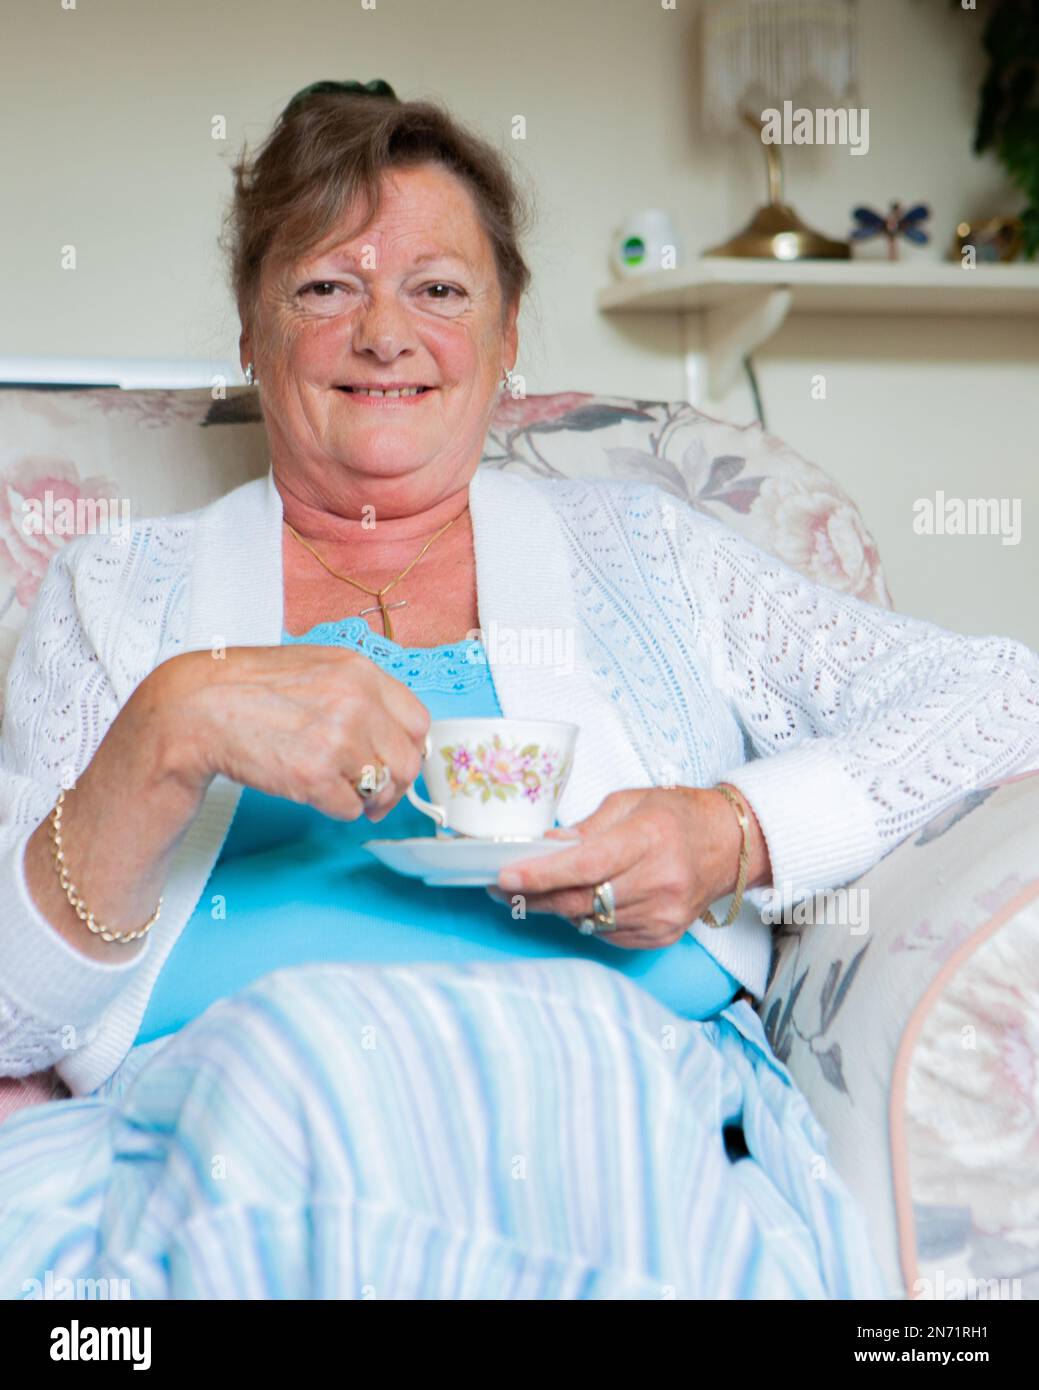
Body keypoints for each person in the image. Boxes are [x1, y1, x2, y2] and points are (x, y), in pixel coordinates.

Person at [0, 80, 1036, 1300]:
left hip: (611, 1097)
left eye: (438, 290)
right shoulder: (118, 593)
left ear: (504, 337)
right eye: (327, 286)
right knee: (309, 1067)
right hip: (232, 1116)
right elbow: (17, 1020)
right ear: (250, 329)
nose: (385, 333)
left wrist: (730, 831)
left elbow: (1000, 691)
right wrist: (167, 731)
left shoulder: (652, 550)